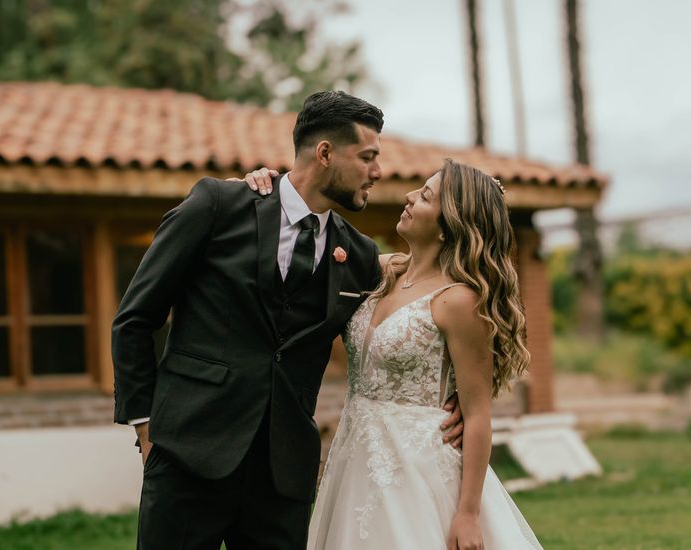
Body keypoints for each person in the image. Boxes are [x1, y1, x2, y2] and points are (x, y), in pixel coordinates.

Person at [112, 91, 463, 550]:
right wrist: (144, 426)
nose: (378, 172)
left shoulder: (357, 256)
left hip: (283, 475)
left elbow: (427, 301)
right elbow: (136, 316)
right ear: (324, 153)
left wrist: (452, 389)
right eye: (367, 157)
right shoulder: (219, 206)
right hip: (187, 451)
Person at [242, 158, 543, 549]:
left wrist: (468, 514)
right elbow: (304, 243)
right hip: (354, 459)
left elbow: (478, 415)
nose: (409, 196)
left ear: (449, 222)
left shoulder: (459, 301)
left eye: (425, 196)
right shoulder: (381, 272)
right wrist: (258, 188)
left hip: (418, 471)